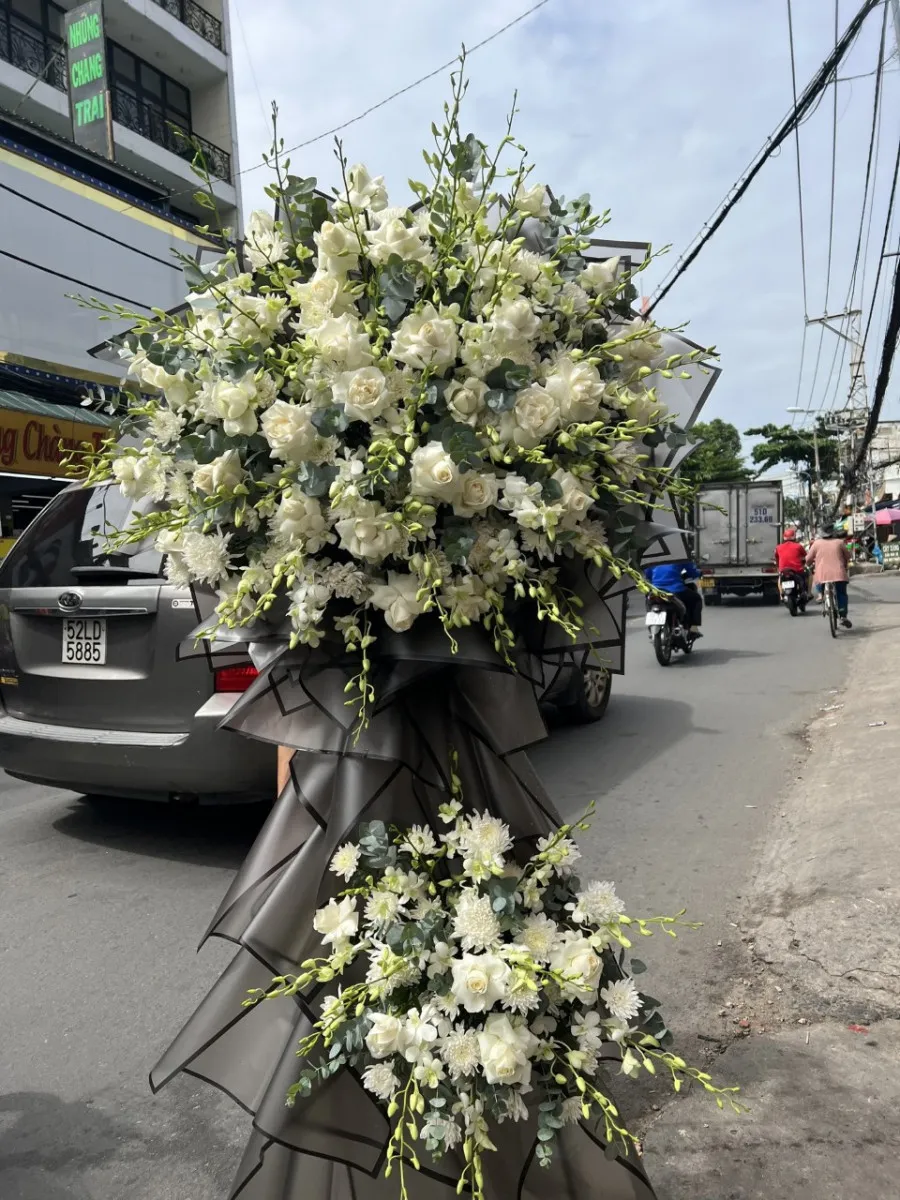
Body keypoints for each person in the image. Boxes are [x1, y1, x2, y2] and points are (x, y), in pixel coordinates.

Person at [806, 526, 852, 627]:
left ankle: (821, 595)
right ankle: (843, 615)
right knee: (841, 594)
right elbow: (848, 556)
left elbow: (808, 559)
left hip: (822, 575)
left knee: (817, 581)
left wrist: (808, 564)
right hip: (839, 574)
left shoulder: (816, 543)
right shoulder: (839, 542)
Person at [644, 558, 703, 635]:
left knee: (648, 599)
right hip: (675, 590)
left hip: (656, 591)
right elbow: (692, 572)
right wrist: (699, 573)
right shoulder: (680, 556)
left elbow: (648, 574)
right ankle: (693, 627)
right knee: (696, 599)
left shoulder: (654, 557)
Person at [773, 528, 807, 598]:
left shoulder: (778, 547)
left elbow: (776, 558)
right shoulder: (798, 546)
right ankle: (807, 592)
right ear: (794, 537)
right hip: (797, 570)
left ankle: (781, 594)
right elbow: (806, 555)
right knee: (806, 575)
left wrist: (778, 566)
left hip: (783, 570)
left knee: (780, 578)